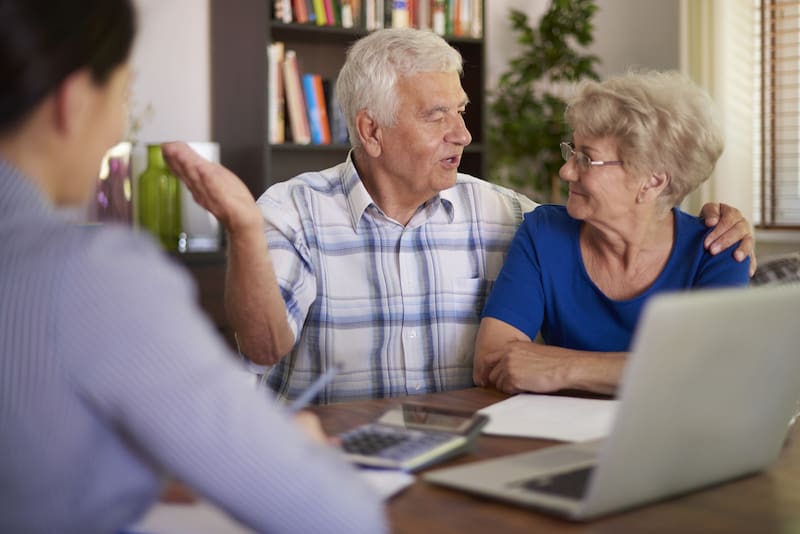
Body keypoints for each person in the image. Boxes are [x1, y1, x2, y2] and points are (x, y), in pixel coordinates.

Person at [163, 28, 754, 405]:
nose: (463, 134)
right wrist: (243, 230)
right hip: (325, 454)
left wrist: (720, 219)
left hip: (461, 453)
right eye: (436, 115)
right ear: (371, 130)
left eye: (462, 111)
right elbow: (263, 348)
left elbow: (624, 217)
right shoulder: (291, 211)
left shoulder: (508, 213)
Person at [0, 1, 386, 533]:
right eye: (123, 95)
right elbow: (342, 517)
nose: (118, 127)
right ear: (74, 102)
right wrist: (302, 455)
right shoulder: (93, 276)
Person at [472, 70, 751, 396]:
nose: (566, 171)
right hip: (560, 425)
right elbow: (491, 362)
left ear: (652, 181)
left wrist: (563, 368)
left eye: (587, 159)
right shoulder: (544, 232)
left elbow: (712, 373)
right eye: (572, 151)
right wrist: (660, 370)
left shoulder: (717, 249)